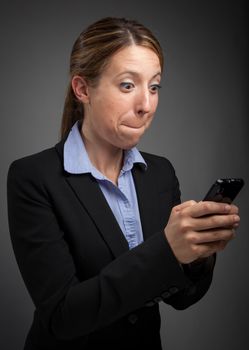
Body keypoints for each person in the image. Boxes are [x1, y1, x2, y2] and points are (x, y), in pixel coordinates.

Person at [7, 17, 240, 350]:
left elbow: (182, 298)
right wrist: (168, 250)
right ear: (83, 89)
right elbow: (62, 316)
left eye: (154, 86)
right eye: (128, 85)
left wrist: (197, 255)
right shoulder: (32, 177)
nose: (146, 105)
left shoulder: (160, 173)